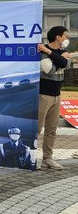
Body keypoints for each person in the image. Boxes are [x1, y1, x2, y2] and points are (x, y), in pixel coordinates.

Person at [37, 26, 70, 170]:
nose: (66, 39)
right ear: (58, 37)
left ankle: (47, 158)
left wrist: (51, 54)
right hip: (43, 94)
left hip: (57, 95)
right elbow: (49, 71)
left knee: (52, 129)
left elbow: (66, 64)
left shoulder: (58, 51)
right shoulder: (41, 50)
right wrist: (59, 59)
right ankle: (30, 157)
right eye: (65, 36)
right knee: (36, 129)